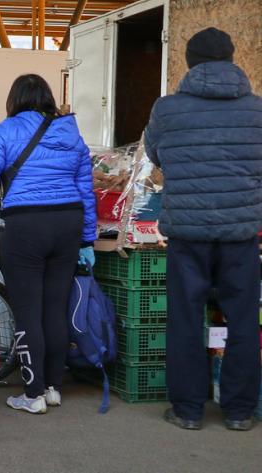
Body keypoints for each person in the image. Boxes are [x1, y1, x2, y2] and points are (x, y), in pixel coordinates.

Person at [0, 74, 96, 414]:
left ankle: (32, 394)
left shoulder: (7, 130)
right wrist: (87, 237)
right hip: (68, 221)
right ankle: (52, 388)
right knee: (55, 306)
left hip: (26, 224)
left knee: (28, 309)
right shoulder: (70, 132)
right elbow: (86, 190)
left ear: (14, 99)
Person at [144, 28, 262, 431]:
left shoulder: (167, 109)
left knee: (184, 319)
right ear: (232, 59)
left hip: (187, 232)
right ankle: (239, 411)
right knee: (243, 320)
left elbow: (155, 153)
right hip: (240, 233)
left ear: (190, 62)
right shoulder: (257, 110)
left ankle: (189, 410)